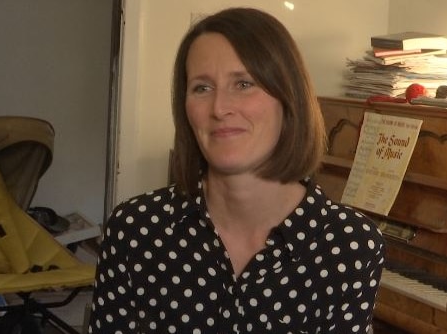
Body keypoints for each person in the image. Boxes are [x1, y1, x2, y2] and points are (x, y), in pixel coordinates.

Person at [88, 7, 384, 334]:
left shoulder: (349, 244)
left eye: (243, 83)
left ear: (289, 99)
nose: (219, 108)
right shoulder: (134, 230)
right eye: (202, 87)